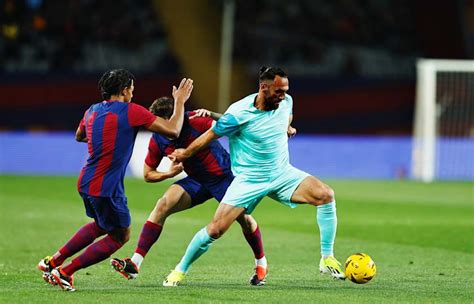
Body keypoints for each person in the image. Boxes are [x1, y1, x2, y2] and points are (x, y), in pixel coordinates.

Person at [163, 67, 345, 287]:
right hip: (249, 180)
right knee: (216, 229)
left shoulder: (286, 101)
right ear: (263, 87)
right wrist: (185, 153)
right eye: (278, 91)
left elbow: (286, 115)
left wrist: (287, 127)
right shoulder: (239, 112)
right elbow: (209, 136)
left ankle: (327, 258)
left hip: (282, 173)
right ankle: (179, 270)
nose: (283, 95)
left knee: (326, 195)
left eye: (285, 90)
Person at [37, 69, 194, 291]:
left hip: (86, 181)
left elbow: (80, 135)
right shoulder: (131, 111)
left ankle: (52, 262)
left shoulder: (92, 110)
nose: (133, 93)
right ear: (124, 90)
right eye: (132, 89)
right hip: (106, 187)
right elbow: (173, 130)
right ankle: (64, 272)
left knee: (102, 225)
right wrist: (179, 102)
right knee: (120, 235)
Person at [109, 97, 268, 286]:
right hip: (196, 181)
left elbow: (233, 125)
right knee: (163, 205)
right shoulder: (158, 137)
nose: (157, 126)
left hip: (223, 177)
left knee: (245, 220)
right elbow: (148, 174)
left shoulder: (195, 120)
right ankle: (135, 263)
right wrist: (169, 173)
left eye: (161, 122)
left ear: (173, 118)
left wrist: (211, 114)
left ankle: (261, 263)